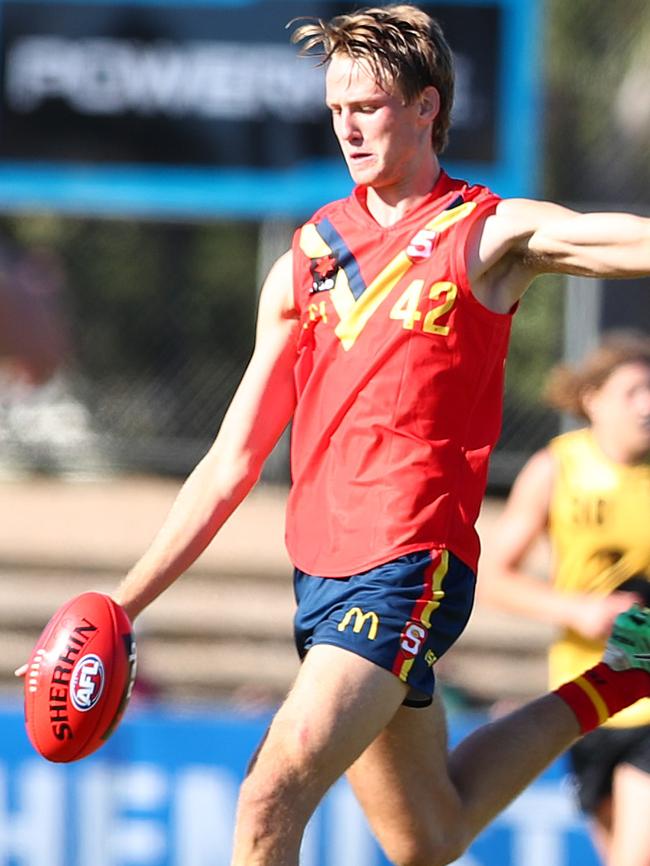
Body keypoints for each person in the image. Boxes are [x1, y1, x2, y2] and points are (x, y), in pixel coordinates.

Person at [21, 6, 650, 865]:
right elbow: (233, 459)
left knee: (269, 791)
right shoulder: (309, 257)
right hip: (320, 574)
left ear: (428, 107)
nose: (349, 127)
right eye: (336, 109)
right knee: (428, 834)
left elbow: (599, 237)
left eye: (371, 105)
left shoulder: (486, 233)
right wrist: (123, 606)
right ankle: (624, 678)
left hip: (407, 563)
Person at [479, 332, 650, 866]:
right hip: (587, 690)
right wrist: (579, 610)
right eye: (634, 392)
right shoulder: (557, 469)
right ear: (592, 399)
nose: (648, 406)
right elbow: (494, 578)